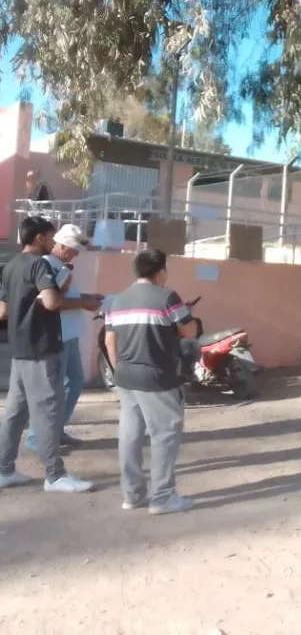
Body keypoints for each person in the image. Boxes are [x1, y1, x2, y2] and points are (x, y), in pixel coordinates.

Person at [0, 217, 94, 493]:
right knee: (48, 411)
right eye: (50, 237)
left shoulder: (11, 266)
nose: (53, 242)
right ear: (39, 237)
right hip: (41, 348)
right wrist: (49, 297)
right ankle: (55, 475)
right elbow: (52, 302)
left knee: (15, 413)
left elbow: (2, 311)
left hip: (19, 348)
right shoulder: (39, 264)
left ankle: (4, 469)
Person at [104, 249, 196, 513]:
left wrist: (117, 369)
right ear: (161, 272)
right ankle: (162, 497)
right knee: (165, 434)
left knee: (130, 435)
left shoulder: (116, 301)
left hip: (125, 377)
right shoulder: (167, 296)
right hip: (157, 377)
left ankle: (132, 495)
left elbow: (110, 341)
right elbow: (189, 332)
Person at [25, 225, 103, 451]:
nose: (75, 254)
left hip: (70, 334)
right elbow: (50, 303)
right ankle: (37, 437)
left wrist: (89, 298)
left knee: (74, 383)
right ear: (60, 246)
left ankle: (55, 430)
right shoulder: (47, 265)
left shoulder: (63, 266)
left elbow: (68, 297)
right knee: (54, 390)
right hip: (58, 335)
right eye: (72, 249)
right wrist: (83, 302)